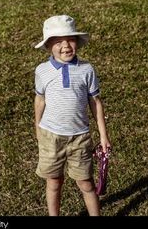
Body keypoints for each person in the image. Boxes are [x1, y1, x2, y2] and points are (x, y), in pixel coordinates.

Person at [34, 15, 112, 216]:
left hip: (80, 137)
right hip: (51, 136)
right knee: (54, 182)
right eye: (58, 41)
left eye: (70, 39)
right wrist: (38, 128)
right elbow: (40, 100)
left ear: (77, 41)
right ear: (48, 46)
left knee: (86, 183)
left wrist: (103, 136)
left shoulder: (86, 69)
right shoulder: (42, 71)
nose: (65, 46)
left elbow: (95, 103)